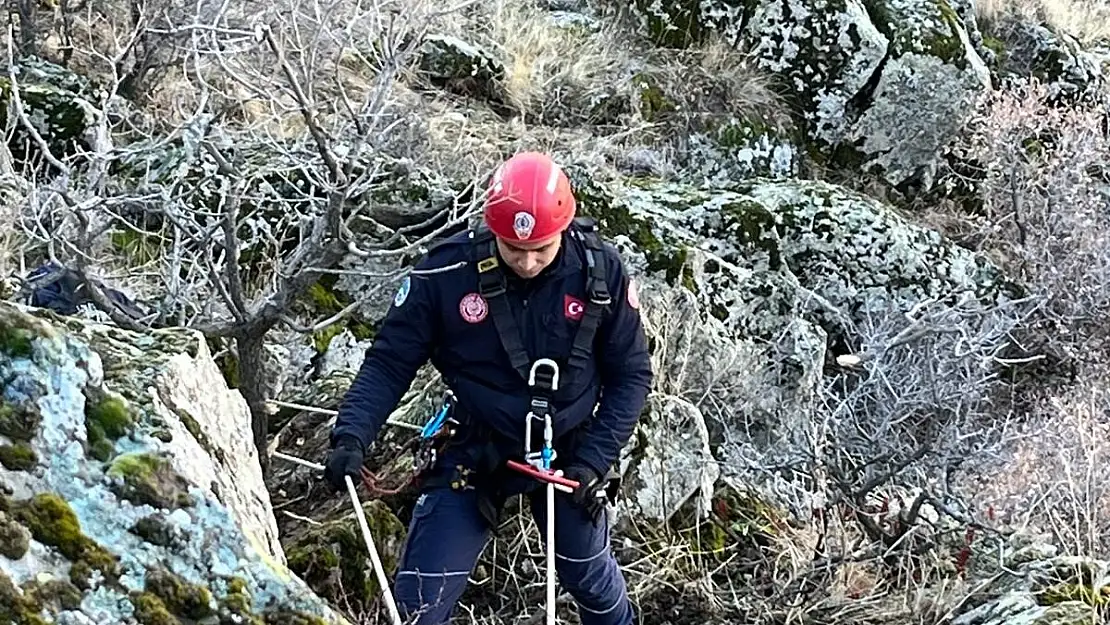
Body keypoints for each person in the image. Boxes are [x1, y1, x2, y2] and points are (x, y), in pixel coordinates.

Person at [323, 151, 653, 625]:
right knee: (421, 604)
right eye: (513, 247)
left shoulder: (599, 272)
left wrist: (594, 461)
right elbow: (390, 362)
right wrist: (351, 435)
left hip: (570, 450)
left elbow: (631, 375)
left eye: (541, 247)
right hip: (474, 444)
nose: (526, 261)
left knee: (590, 578)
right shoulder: (446, 273)